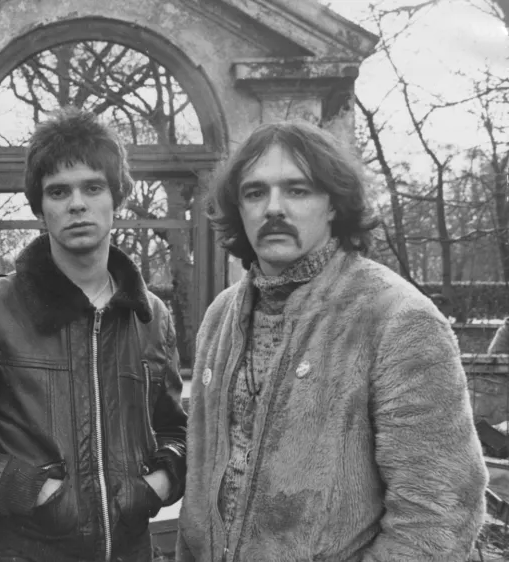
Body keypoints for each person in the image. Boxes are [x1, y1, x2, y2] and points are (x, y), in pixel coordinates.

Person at [176, 120, 487, 561]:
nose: (274, 208)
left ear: (333, 206)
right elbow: (201, 495)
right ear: (238, 208)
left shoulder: (397, 318)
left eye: (297, 190)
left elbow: (437, 517)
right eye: (255, 192)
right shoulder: (220, 315)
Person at [0, 107, 188, 562]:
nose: (77, 203)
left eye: (93, 187)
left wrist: (158, 484)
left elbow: (175, 430)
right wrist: (33, 490)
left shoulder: (150, 315)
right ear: (40, 206)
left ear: (117, 198)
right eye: (59, 191)